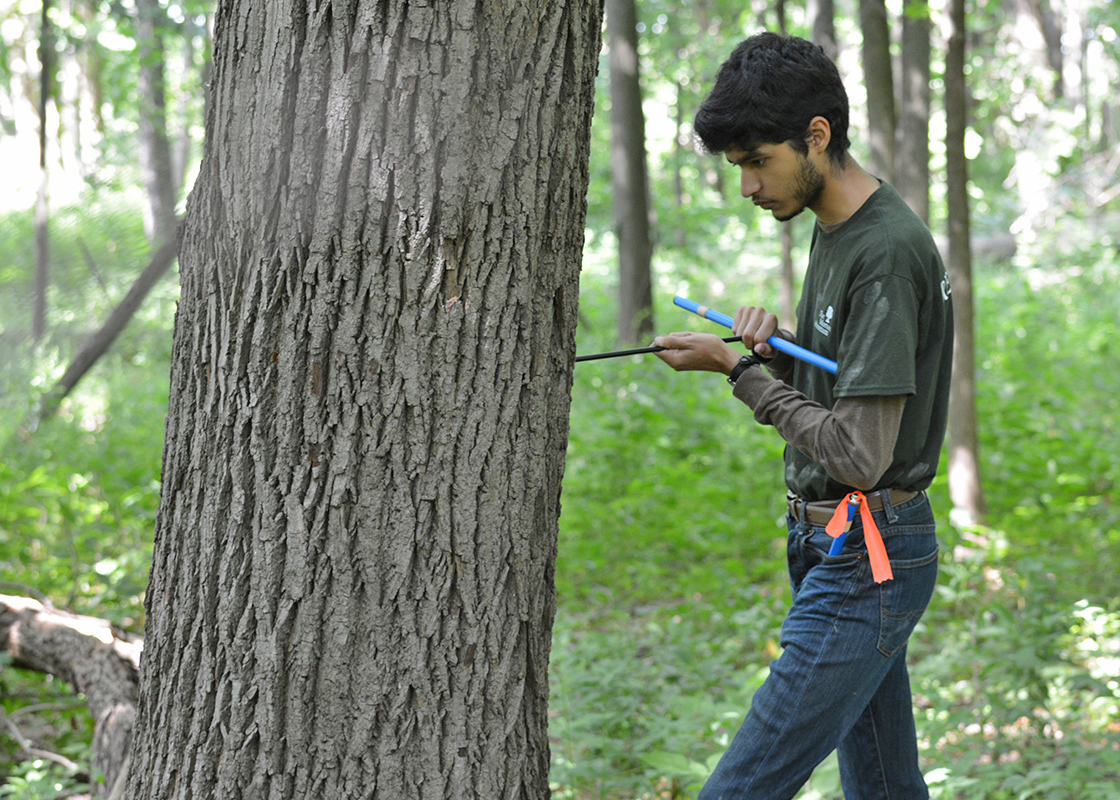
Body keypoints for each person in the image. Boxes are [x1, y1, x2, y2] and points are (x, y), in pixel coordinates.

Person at [652, 32, 953, 800]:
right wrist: (782, 352)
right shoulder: (837, 228)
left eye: (759, 161)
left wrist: (743, 373)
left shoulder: (883, 253)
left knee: (740, 787)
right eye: (741, 167)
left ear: (816, 135)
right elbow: (851, 384)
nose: (750, 185)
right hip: (834, 542)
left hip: (867, 557)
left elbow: (858, 453)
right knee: (884, 786)